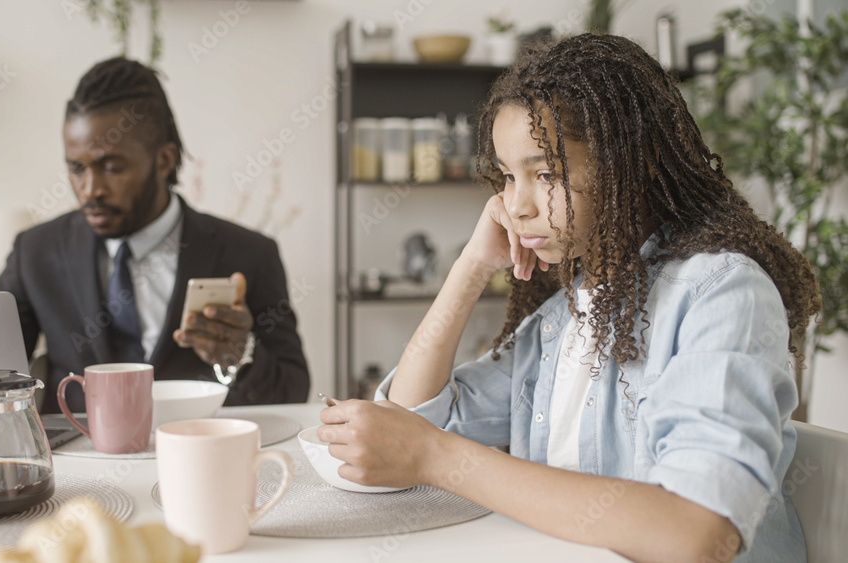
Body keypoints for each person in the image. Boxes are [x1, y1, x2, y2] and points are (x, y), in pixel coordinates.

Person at [318, 34, 818, 563]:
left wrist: (437, 458)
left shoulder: (722, 294)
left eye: (546, 174)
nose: (516, 205)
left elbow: (694, 532)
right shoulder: (567, 315)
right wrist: (470, 266)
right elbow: (412, 418)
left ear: (632, 165)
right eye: (508, 178)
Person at [0, 57, 310, 414]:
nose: (90, 190)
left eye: (112, 167)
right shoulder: (36, 252)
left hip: (198, 459)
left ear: (163, 161)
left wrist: (242, 354)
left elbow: (293, 390)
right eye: (77, 168)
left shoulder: (249, 254)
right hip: (74, 464)